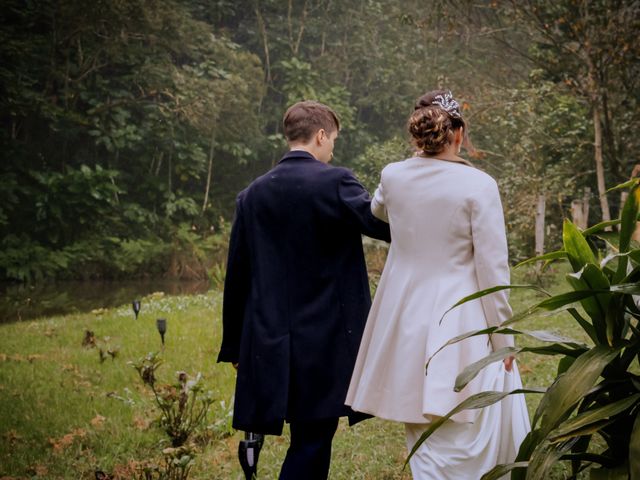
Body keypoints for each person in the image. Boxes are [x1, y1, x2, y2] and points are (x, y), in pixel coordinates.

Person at [345, 90, 531, 479]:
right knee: (471, 413)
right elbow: (493, 270)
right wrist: (504, 340)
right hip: (462, 316)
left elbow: (378, 209)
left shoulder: (393, 176)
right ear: (459, 133)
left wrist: (415, 163)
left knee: (420, 411)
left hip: (406, 313)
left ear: (419, 135)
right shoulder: (479, 185)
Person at [217, 100, 391, 479]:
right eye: (333, 141)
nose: (332, 151)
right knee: (312, 439)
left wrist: (234, 347)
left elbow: (238, 276)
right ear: (321, 135)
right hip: (326, 339)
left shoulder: (252, 195)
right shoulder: (336, 181)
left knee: (306, 437)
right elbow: (383, 227)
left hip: (271, 338)